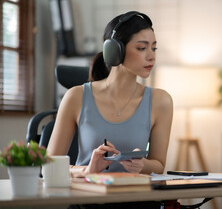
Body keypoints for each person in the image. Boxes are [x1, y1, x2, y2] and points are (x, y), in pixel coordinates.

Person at [47, 11, 173, 179]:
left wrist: (142, 164)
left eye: (154, 48)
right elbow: (48, 165)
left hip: (136, 200)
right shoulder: (75, 97)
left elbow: (158, 166)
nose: (152, 56)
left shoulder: (161, 101)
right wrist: (86, 170)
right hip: (87, 199)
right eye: (142, 48)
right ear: (115, 50)